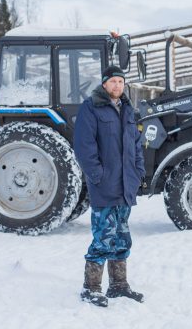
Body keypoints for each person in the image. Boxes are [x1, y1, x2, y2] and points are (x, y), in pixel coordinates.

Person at [74, 65, 146, 307]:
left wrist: (138, 172)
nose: (118, 85)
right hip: (105, 185)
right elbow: (84, 147)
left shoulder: (127, 109)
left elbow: (136, 145)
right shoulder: (91, 107)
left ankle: (118, 285)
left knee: (122, 237)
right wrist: (97, 176)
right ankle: (91, 287)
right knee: (103, 237)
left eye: (121, 82)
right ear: (104, 84)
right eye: (113, 81)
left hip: (126, 185)